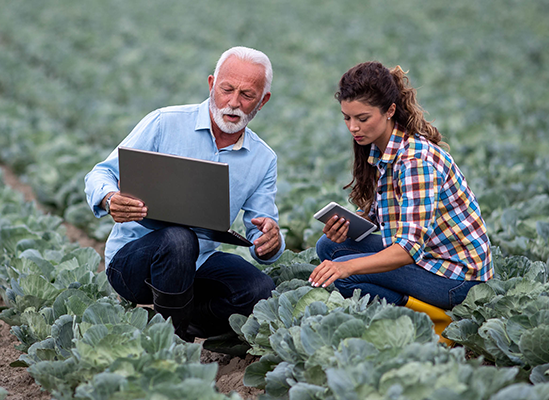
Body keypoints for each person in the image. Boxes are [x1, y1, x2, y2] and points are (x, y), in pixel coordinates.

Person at [84, 46, 285, 342]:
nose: (233, 103)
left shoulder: (263, 158)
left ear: (263, 101)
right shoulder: (165, 123)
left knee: (260, 290)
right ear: (211, 84)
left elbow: (262, 226)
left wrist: (270, 241)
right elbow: (100, 173)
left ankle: (176, 318)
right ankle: (174, 341)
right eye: (226, 89)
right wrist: (110, 198)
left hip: (197, 265)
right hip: (134, 263)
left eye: (247, 95)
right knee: (179, 238)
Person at [309, 62, 493, 339]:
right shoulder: (383, 148)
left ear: (390, 111)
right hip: (429, 259)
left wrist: (346, 266)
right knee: (330, 245)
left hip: (457, 278)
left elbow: (406, 249)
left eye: (362, 118)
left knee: (347, 275)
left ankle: (436, 323)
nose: (353, 127)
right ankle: (415, 309)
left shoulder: (414, 161)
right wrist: (354, 222)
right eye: (346, 118)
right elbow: (390, 216)